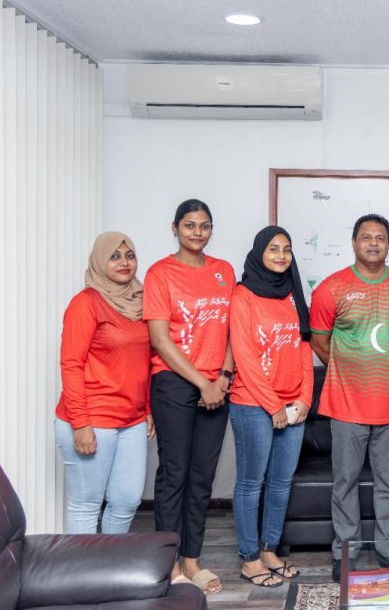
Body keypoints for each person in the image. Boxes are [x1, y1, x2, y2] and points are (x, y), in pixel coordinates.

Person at [309, 214, 389, 581]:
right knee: (344, 483)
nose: (373, 243)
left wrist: (382, 363)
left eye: (380, 238)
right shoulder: (331, 288)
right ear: (354, 242)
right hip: (345, 405)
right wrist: (348, 367)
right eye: (366, 237)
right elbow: (320, 342)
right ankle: (345, 553)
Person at [143, 199, 236, 594]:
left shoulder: (223, 271)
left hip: (218, 383)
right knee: (174, 476)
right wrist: (202, 382)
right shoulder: (160, 273)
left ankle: (193, 561)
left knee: (202, 478)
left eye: (204, 226)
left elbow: (233, 330)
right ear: (175, 228)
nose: (197, 232)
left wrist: (224, 377)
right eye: (189, 225)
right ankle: (169, 564)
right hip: (175, 383)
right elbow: (160, 340)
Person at [229, 226, 313, 587]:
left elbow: (304, 346)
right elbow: (245, 356)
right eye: (273, 249)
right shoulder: (243, 295)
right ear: (259, 252)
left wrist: (306, 399)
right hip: (252, 403)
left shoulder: (292, 294)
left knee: (280, 484)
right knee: (251, 483)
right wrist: (273, 404)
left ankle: (268, 550)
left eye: (287, 249)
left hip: (293, 403)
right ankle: (249, 558)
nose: (281, 255)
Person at [54, 232, 153, 534]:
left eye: (129, 255)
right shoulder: (86, 304)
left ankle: (109, 571)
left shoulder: (141, 302)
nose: (124, 262)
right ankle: (82, 579)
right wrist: (80, 423)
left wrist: (147, 408)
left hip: (132, 420)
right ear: (99, 260)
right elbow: (71, 364)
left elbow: (145, 362)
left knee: (126, 501)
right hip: (93, 418)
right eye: (114, 256)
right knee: (87, 503)